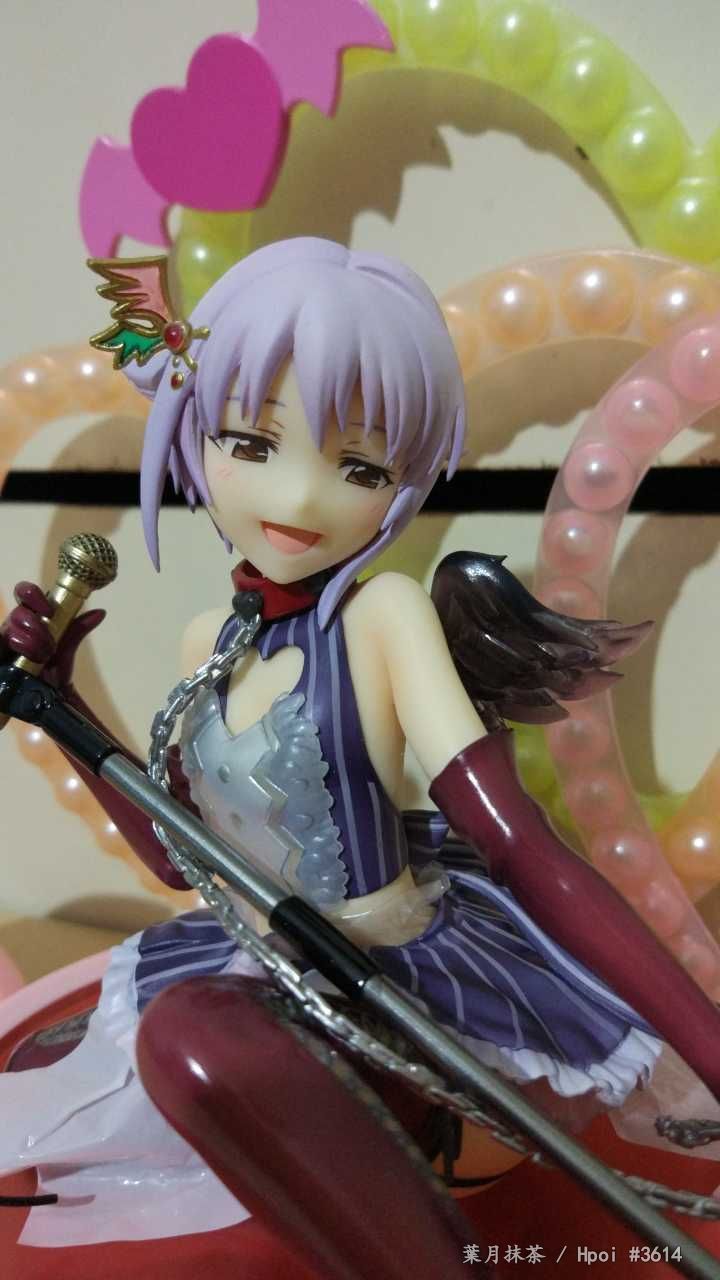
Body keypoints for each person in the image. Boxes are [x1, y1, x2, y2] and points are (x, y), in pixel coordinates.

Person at [2, 237, 719, 1249]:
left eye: (359, 466)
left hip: (392, 975)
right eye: (252, 444)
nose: (298, 500)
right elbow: (179, 857)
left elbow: (521, 844)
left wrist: (707, 1044)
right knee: (82, 1062)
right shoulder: (212, 641)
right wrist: (62, 707)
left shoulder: (381, 617)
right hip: (261, 965)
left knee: (196, 1040)